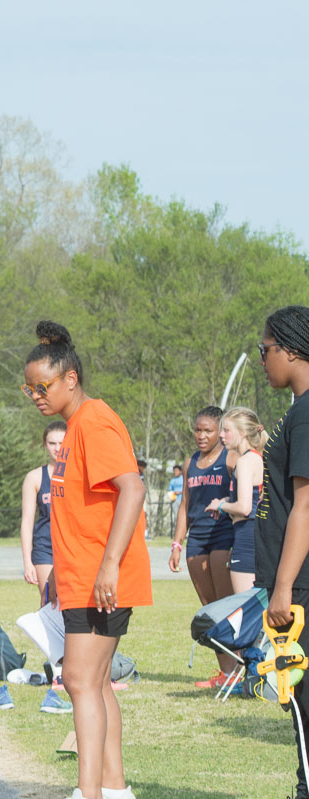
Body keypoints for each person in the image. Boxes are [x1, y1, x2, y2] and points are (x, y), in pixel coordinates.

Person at [23, 321, 150, 799]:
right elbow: (78, 510)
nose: (35, 394)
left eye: (43, 386)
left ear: (70, 379)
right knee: (91, 683)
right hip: (79, 577)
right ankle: (113, 789)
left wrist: (109, 565)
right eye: (29, 387)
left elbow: (132, 488)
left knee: (77, 680)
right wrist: (60, 569)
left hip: (102, 579)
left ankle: (89, 793)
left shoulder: (93, 421)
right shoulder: (74, 427)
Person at [253, 306, 309, 799]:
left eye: (265, 349)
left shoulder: (308, 410)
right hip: (295, 581)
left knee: (304, 702)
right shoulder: (298, 410)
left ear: (291, 350)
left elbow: (306, 505)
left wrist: (285, 586)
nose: (262, 358)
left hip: (302, 584)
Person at [168, 406, 237, 688]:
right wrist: (176, 543)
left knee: (227, 607)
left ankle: (242, 671)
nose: (201, 435)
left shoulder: (231, 458)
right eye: (198, 429)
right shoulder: (190, 463)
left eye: (208, 430)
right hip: (196, 539)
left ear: (220, 432)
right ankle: (226, 673)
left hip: (223, 535)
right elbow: (185, 505)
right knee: (209, 609)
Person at [212, 407, 267, 594]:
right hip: (254, 534)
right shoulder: (256, 458)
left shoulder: (245, 461)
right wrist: (228, 499)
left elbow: (244, 508)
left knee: (245, 606)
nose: (221, 435)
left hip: (247, 535)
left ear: (242, 433)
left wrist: (220, 505)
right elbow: (251, 497)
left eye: (226, 430)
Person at [20, 421, 67, 605]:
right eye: (52, 443)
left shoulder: (79, 474)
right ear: (44, 445)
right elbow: (27, 523)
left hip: (72, 547)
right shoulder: (35, 477)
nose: (57, 448)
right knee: (50, 600)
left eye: (62, 443)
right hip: (46, 547)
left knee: (73, 605)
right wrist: (27, 562)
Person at [168, 465, 184, 530]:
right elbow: (170, 490)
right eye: (174, 471)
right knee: (176, 517)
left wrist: (180, 492)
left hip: (182, 500)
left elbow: (187, 489)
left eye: (177, 471)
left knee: (183, 515)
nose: (175, 472)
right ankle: (178, 530)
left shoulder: (184, 478)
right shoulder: (172, 480)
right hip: (174, 500)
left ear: (180, 471)